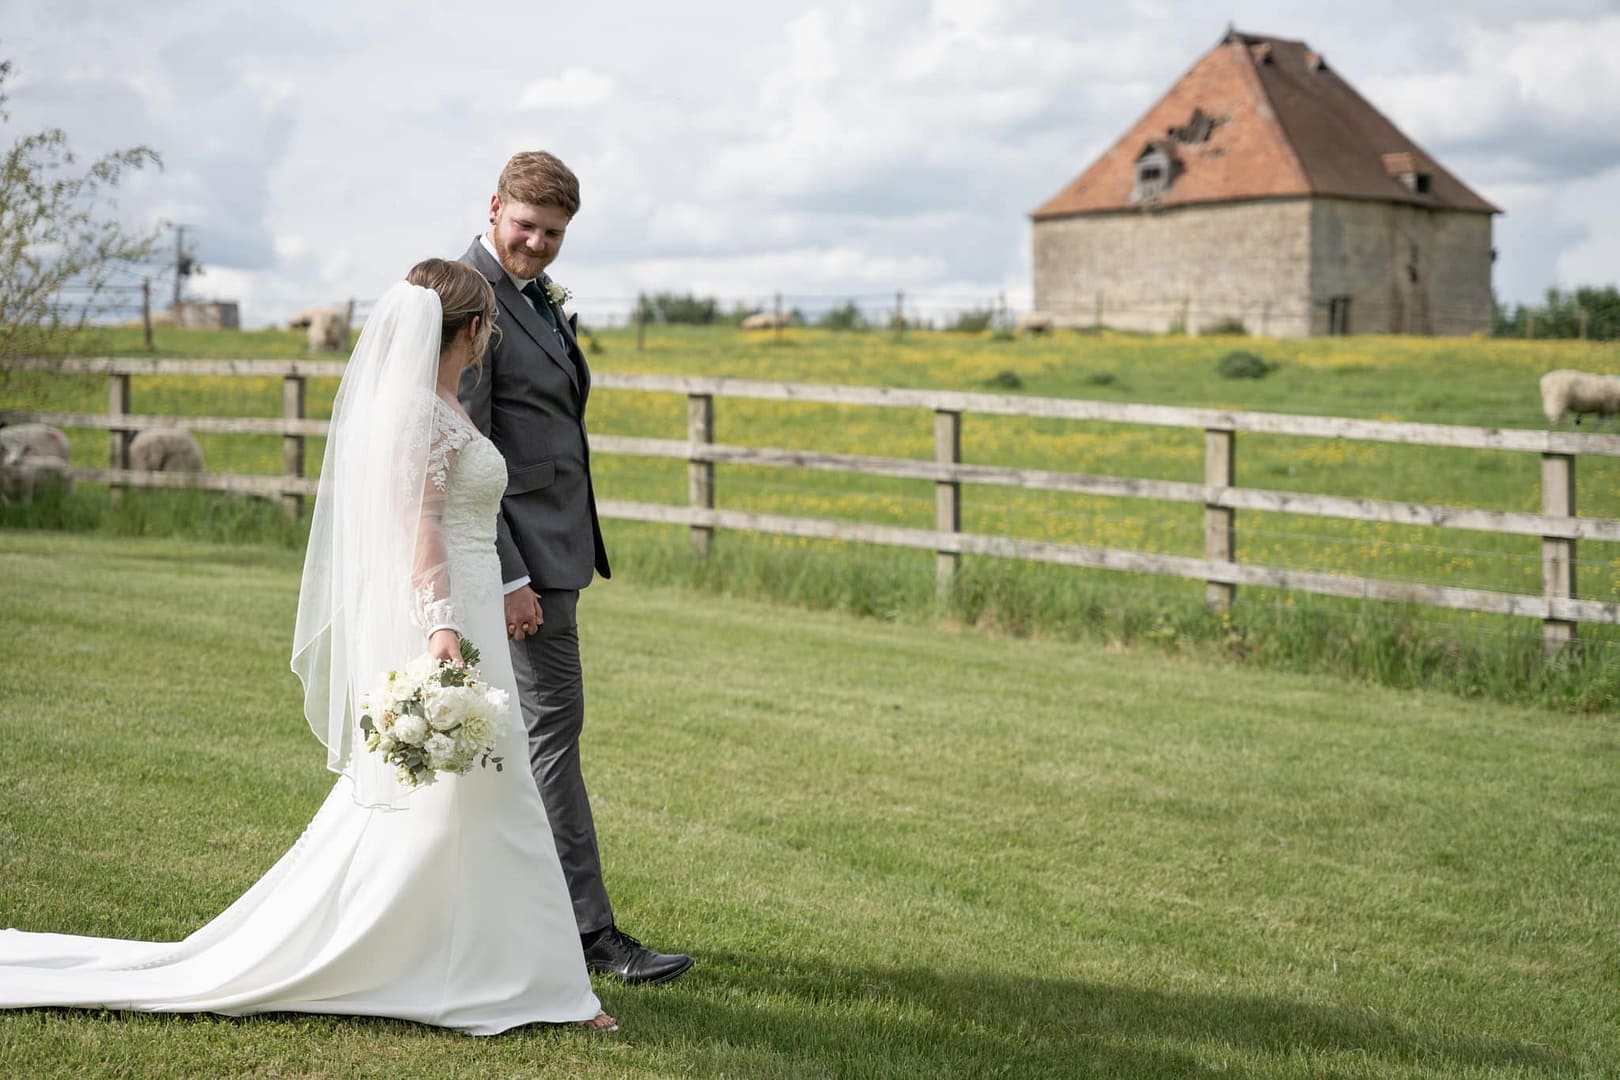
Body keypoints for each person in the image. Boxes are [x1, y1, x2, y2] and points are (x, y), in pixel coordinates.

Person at [0, 259, 617, 1035]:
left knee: (468, 793)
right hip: (451, 614)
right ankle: (549, 989)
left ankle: (481, 963)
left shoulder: (441, 402)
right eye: (487, 322)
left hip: (472, 607)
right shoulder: (421, 414)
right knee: (491, 787)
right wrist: (441, 631)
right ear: (472, 329)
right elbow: (419, 527)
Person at [459, 152, 692, 984]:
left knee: (525, 737)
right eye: (526, 226)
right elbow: (465, 450)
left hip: (548, 551)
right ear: (493, 208)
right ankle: (589, 932)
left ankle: (501, 912)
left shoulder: (528, 295)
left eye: (553, 234)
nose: (538, 244)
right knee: (552, 736)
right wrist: (514, 576)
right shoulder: (469, 297)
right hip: (520, 560)